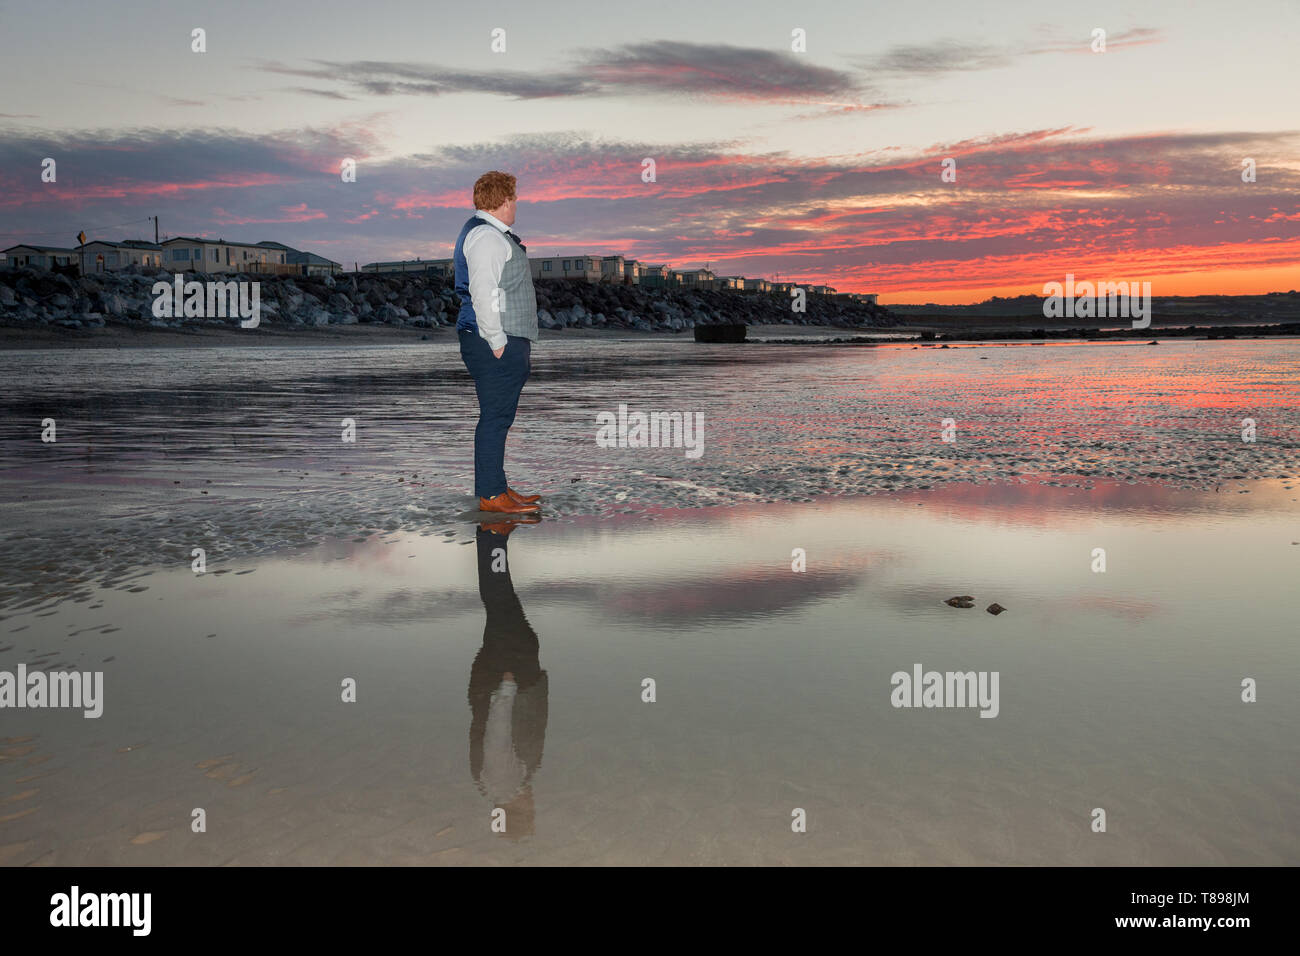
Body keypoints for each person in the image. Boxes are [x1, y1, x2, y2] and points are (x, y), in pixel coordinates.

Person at [454, 171, 543, 514]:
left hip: (497, 338)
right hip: (492, 340)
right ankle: (491, 496)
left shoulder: (490, 234)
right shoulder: (487, 237)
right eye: (515, 198)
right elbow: (483, 292)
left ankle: (497, 487)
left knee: (499, 416)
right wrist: (496, 339)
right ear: (504, 200)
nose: (517, 204)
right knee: (495, 417)